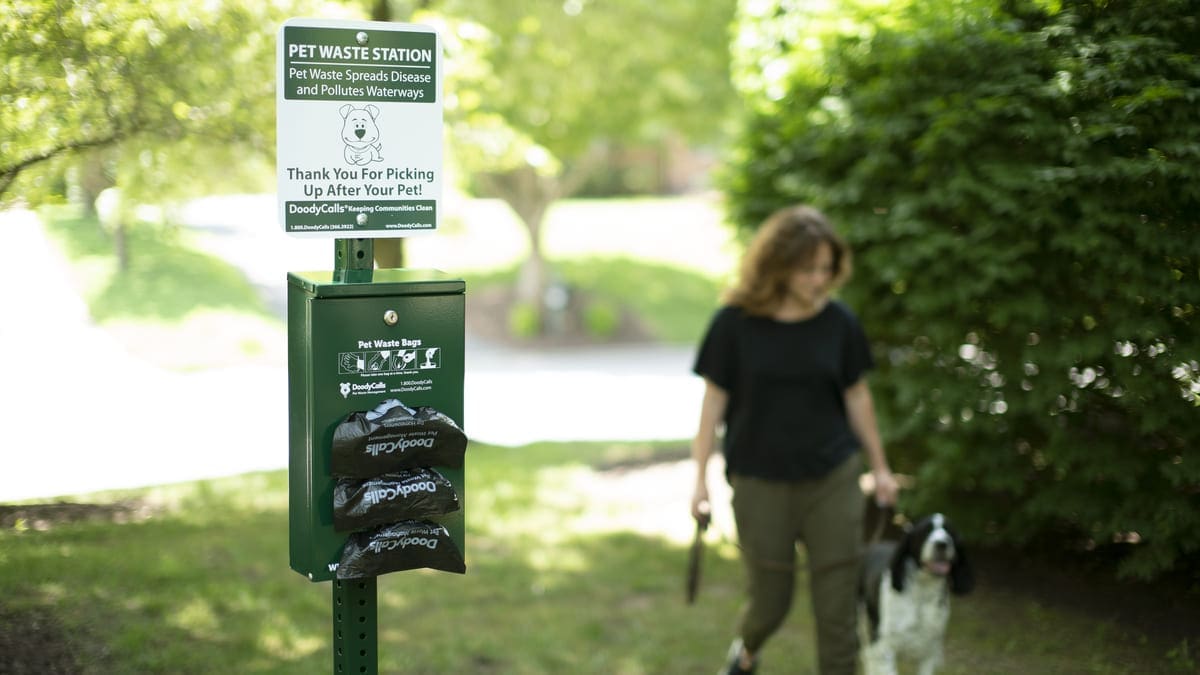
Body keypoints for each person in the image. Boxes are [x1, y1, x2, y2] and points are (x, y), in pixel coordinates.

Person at [690, 205, 899, 675]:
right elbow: (712, 406)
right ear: (778, 266)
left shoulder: (840, 323)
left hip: (833, 478)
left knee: (837, 610)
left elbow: (857, 396)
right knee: (770, 602)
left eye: (827, 269)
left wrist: (880, 468)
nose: (819, 280)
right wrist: (699, 480)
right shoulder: (734, 324)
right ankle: (745, 653)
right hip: (759, 481)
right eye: (808, 269)